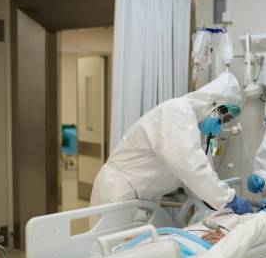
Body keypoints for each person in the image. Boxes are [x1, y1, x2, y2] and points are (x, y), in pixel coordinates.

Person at [90, 72, 252, 215]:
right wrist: (229, 199)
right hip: (118, 191)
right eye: (226, 118)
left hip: (141, 200)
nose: (223, 124)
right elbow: (192, 169)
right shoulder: (178, 113)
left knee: (133, 247)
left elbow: (201, 178)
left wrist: (222, 207)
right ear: (216, 106)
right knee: (112, 248)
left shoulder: (198, 132)